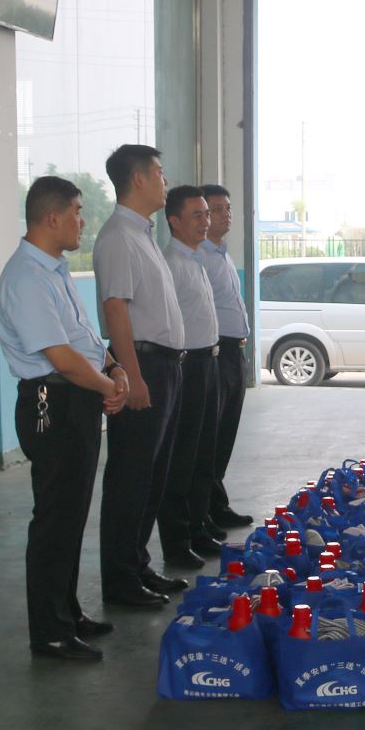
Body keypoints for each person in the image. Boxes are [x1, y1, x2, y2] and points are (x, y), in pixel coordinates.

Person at [0, 177, 130, 661]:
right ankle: (49, 632)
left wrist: (113, 367)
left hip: (77, 398)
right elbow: (61, 357)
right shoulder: (26, 278)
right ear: (51, 217)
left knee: (71, 515)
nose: (82, 221)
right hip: (52, 404)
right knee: (55, 518)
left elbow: (83, 339)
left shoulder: (54, 271)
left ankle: (67, 614)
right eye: (76, 211)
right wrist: (109, 387)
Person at [94, 144, 187, 609]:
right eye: (160, 173)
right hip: (142, 365)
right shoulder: (118, 237)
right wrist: (132, 376)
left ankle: (137, 564)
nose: (165, 181)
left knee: (153, 475)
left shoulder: (142, 234)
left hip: (164, 365)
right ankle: (120, 580)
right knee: (130, 476)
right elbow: (116, 310)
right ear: (139, 180)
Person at [156, 186, 223, 571]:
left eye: (206, 214)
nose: (205, 221)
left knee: (203, 453)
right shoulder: (171, 263)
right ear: (174, 221)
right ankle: (177, 541)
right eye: (197, 215)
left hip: (208, 362)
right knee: (182, 457)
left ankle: (199, 526)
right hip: (186, 365)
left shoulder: (196, 260)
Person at [199, 184, 255, 530]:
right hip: (216, 352)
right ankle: (203, 511)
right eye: (217, 209)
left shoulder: (221, 253)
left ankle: (216, 504)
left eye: (228, 208)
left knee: (225, 435)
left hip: (235, 352)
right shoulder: (199, 257)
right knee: (210, 436)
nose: (225, 215)